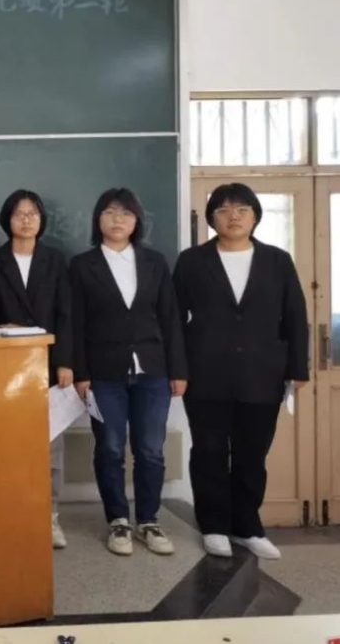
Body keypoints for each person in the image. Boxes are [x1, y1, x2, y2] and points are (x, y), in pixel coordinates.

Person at [173, 183, 308, 560]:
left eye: (242, 209)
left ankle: (247, 526)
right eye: (224, 209)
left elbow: (295, 316)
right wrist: (178, 368)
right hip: (205, 374)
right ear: (212, 218)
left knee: (252, 454)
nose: (233, 216)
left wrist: (298, 368)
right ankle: (214, 525)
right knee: (209, 452)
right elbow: (173, 320)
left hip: (262, 374)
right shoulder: (192, 261)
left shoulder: (277, 260)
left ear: (255, 217)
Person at [69, 188, 187, 557]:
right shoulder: (82, 265)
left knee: (150, 449)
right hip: (103, 373)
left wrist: (178, 369)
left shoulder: (154, 262)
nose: (117, 219)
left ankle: (148, 520)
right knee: (110, 448)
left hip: (153, 370)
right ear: (98, 219)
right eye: (109, 212)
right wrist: (81, 373)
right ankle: (118, 520)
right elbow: (75, 323)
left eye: (126, 213)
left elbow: (170, 318)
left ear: (136, 221)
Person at [0, 189, 73, 549]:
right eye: (19, 213)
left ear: (41, 219)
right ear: (7, 219)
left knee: (50, 449)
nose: (26, 219)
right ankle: (10, 513)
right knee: (5, 445)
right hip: (3, 368)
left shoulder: (56, 261)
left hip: (48, 367)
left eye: (32, 213)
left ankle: (49, 517)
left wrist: (65, 361)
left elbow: (66, 315)